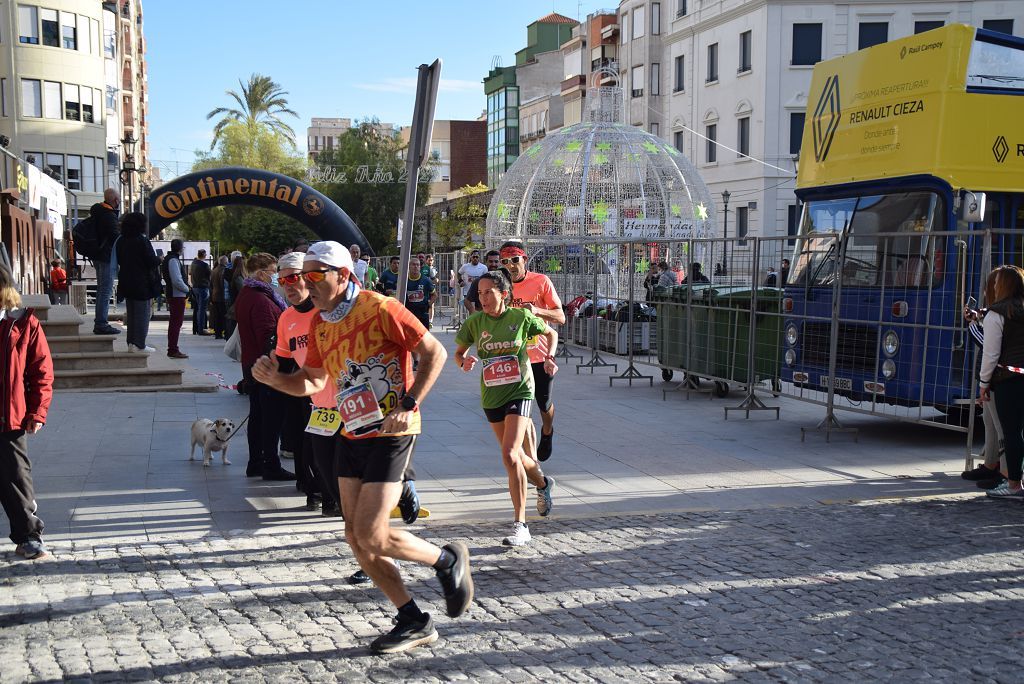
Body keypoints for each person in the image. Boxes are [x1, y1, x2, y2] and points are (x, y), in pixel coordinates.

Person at [252, 241, 472, 654]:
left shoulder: (380, 307)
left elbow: (434, 352)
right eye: (303, 276)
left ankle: (446, 560)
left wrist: (409, 404)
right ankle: (412, 618)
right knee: (355, 536)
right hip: (350, 430)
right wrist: (274, 381)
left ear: (344, 275)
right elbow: (314, 381)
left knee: (372, 532)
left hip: (392, 430)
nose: (306, 283)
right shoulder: (319, 322)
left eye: (317, 275)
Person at [455, 269, 557, 546]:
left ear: (504, 293)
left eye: (489, 292)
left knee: (510, 454)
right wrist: (463, 362)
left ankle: (520, 525)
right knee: (513, 457)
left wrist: (549, 357)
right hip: (491, 395)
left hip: (520, 390)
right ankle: (544, 483)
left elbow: (551, 332)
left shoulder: (521, 317)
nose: (484, 298)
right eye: (480, 294)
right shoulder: (475, 322)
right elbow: (459, 353)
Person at [0, 265, 54, 560]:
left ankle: (28, 537)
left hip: (8, 416)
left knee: (16, 480)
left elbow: (41, 372)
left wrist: (37, 411)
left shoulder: (23, 323)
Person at [501, 241, 565, 462]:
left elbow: (561, 317)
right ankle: (527, 455)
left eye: (514, 260)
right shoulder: (501, 286)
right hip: (513, 356)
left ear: (524, 260)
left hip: (540, 355)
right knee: (519, 409)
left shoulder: (541, 281)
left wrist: (536, 310)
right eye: (505, 261)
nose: (510, 265)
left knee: (543, 404)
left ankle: (547, 431)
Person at [236, 253, 295, 481]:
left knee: (259, 417)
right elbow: (267, 337)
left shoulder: (248, 293)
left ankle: (256, 463)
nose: (275, 277)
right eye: (273, 272)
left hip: (253, 363)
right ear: (261, 273)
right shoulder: (260, 299)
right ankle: (270, 464)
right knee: (270, 418)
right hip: (266, 366)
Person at [274, 252, 324, 508]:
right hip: (304, 391)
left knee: (328, 444)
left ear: (308, 277)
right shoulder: (286, 317)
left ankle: (330, 494)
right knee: (305, 440)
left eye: (293, 277)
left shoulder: (327, 310)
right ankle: (311, 490)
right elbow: (282, 358)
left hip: (336, 390)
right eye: (282, 281)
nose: (288, 286)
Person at [979, 265, 1024, 500]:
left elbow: (991, 354)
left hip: (1008, 379)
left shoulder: (996, 314)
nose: (993, 287)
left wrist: (983, 383)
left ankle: (1014, 484)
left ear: (1003, 286)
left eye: (996, 284)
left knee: (1012, 432)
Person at [963, 278, 1006, 490]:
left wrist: (971, 326)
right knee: (990, 422)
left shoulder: (1002, 313)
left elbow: (989, 346)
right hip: (993, 376)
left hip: (998, 377)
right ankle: (991, 464)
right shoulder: (997, 311)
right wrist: (978, 317)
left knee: (1003, 427)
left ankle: (1006, 474)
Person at [114, 213, 160, 353]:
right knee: (142, 314)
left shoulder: (121, 240)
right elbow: (151, 261)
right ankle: (139, 344)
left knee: (132, 314)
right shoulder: (141, 240)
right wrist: (160, 259)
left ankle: (131, 343)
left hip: (126, 281)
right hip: (141, 283)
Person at [91, 188, 122, 335]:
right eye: (119, 200)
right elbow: (115, 237)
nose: (119, 202)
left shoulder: (98, 212)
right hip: (105, 257)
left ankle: (100, 321)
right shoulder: (108, 216)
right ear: (115, 200)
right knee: (105, 291)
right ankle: (101, 323)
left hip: (97, 255)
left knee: (101, 290)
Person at [160, 239, 190, 359]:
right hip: (177, 295)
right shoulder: (173, 260)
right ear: (179, 248)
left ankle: (173, 348)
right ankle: (173, 349)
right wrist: (187, 289)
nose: (183, 249)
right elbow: (176, 280)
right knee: (176, 323)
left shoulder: (171, 259)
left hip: (175, 294)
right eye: (183, 247)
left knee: (175, 323)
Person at [403, 256, 435, 330]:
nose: (416, 267)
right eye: (413, 264)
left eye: (417, 265)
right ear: (409, 266)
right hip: (409, 313)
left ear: (420, 267)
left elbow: (434, 295)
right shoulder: (404, 280)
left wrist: (428, 305)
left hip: (422, 313)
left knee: (424, 337)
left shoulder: (426, 280)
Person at [190, 249, 212, 335]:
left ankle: (196, 328)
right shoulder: (205, 265)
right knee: (202, 309)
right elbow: (210, 275)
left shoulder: (193, 263)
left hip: (195, 287)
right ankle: (201, 329)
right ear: (204, 255)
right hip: (203, 288)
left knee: (197, 309)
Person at [224, 253, 246, 338]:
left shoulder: (234, 274)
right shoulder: (238, 277)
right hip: (236, 302)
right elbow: (242, 291)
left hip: (233, 300)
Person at [210, 256, 229, 339]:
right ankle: (222, 332)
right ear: (225, 262)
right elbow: (223, 284)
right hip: (221, 296)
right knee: (223, 316)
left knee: (217, 315)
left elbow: (210, 284)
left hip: (214, 295)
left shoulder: (214, 270)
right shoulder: (223, 270)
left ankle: (218, 332)